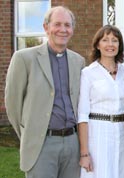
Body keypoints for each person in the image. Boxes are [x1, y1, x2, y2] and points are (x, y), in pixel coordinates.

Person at [5, 6, 85, 178]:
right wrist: (29, 134)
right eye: (57, 24)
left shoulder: (78, 61)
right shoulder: (24, 59)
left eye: (67, 25)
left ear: (72, 29)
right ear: (46, 27)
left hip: (72, 144)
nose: (63, 30)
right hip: (41, 144)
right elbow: (13, 106)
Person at [77, 25, 124, 178]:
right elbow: (82, 115)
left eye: (115, 40)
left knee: (122, 173)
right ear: (97, 45)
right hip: (98, 134)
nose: (110, 44)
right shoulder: (88, 73)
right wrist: (84, 153)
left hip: (123, 136)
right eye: (105, 40)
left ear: (119, 45)